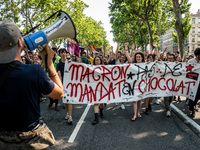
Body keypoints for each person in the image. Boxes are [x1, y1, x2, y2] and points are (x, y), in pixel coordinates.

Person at [0, 19, 64, 150]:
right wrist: (49, 62)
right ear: (19, 42)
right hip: (31, 142)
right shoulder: (34, 72)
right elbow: (59, 93)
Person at [131, 51, 145, 121]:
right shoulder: (133, 65)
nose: (138, 58)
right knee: (134, 100)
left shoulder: (145, 65)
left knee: (140, 100)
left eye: (139, 57)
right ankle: (135, 114)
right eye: (137, 57)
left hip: (142, 84)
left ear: (142, 58)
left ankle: (138, 112)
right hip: (134, 84)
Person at [92, 56, 105, 125]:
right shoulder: (91, 68)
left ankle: (101, 111)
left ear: (100, 60)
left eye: (98, 60)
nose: (97, 61)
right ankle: (96, 118)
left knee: (101, 102)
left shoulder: (104, 68)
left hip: (102, 86)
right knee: (96, 102)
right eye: (96, 60)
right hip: (95, 87)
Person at [188, 48, 200, 118]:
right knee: (192, 97)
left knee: (198, 96)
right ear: (197, 55)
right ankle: (192, 110)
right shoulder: (191, 61)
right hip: (192, 82)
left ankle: (194, 106)